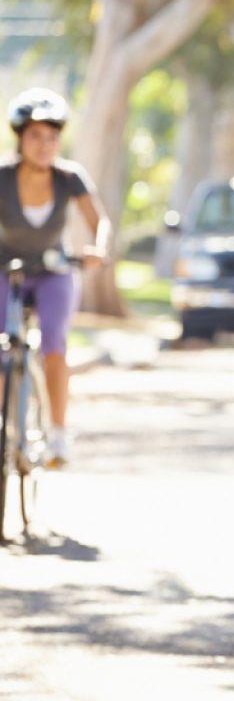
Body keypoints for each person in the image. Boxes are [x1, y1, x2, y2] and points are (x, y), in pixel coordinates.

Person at [0, 88, 111, 467]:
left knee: (54, 344)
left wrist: (98, 248)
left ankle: (59, 434)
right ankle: (6, 428)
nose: (44, 145)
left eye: (52, 137)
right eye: (35, 135)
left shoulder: (69, 178)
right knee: (1, 348)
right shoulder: (2, 176)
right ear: (20, 138)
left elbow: (100, 222)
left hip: (54, 271)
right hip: (6, 271)